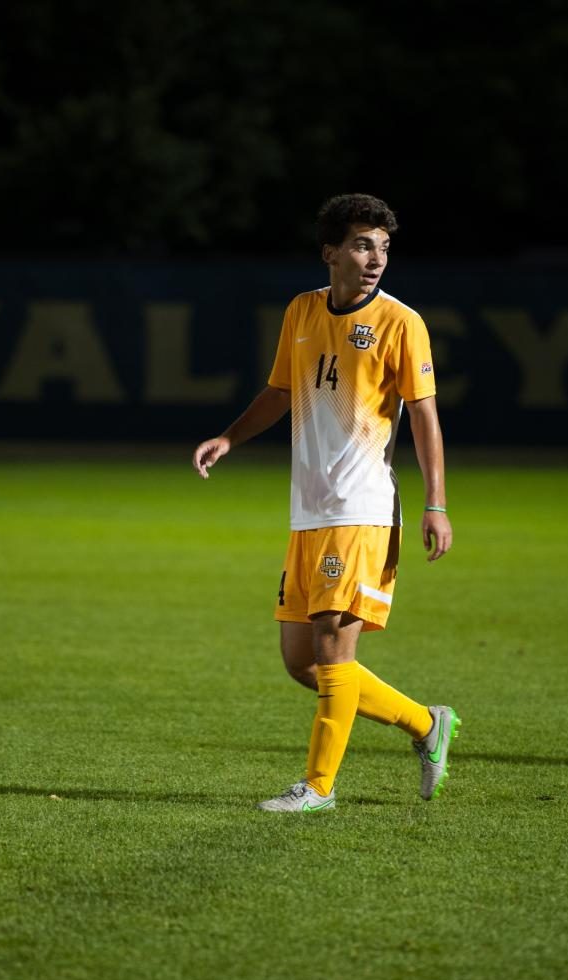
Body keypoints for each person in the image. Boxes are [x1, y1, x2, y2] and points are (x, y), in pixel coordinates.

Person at [192, 193, 459, 812]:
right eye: (363, 245)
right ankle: (426, 723)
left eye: (384, 248)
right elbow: (280, 389)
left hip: (362, 506)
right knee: (302, 662)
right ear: (330, 252)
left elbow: (425, 419)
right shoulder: (302, 311)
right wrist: (230, 436)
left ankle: (317, 788)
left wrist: (436, 504)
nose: (375, 259)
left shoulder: (401, 322)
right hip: (309, 509)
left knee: (335, 649)